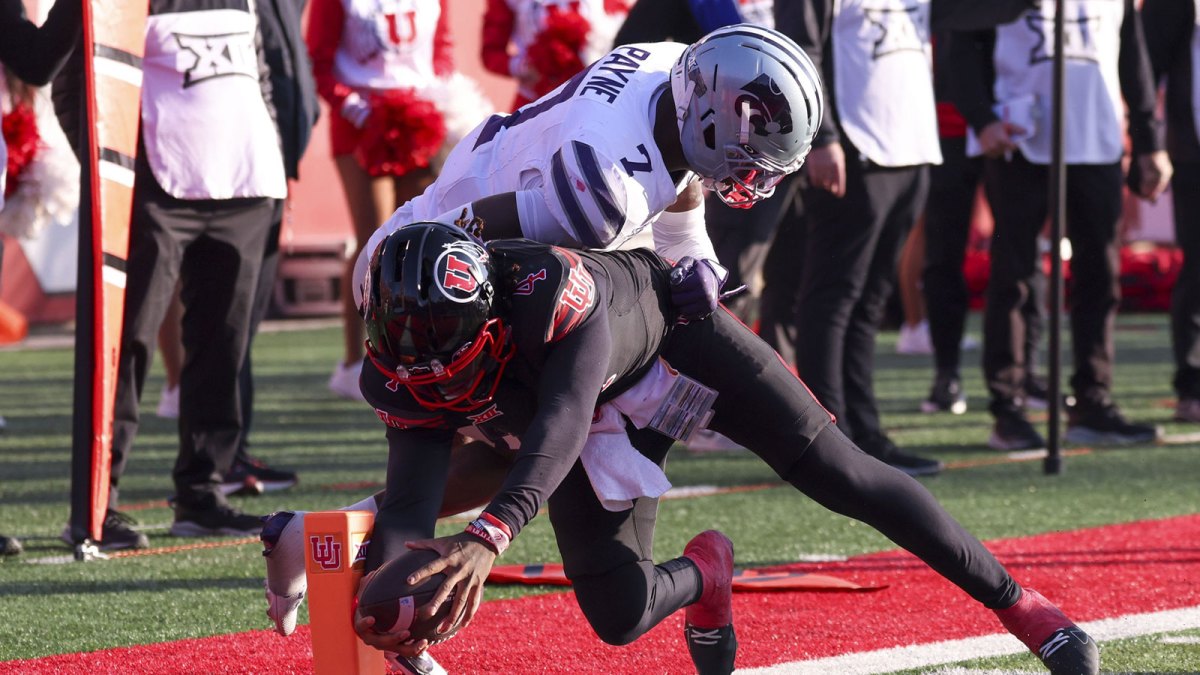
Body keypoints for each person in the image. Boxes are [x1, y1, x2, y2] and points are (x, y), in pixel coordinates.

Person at [262, 24, 822, 673]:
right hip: (449, 271)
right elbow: (517, 215)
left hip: (456, 262)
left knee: (523, 441)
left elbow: (671, 194)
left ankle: (317, 539)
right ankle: (350, 570)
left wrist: (693, 258)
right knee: (516, 434)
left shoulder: (643, 119)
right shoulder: (602, 176)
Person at [345, 218, 1100, 675]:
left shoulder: (547, 289)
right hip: (593, 410)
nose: (424, 365)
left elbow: (563, 418)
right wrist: (403, 614)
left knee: (843, 473)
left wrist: (489, 534)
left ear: (488, 310)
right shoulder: (402, 371)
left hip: (673, 347)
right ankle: (709, 569)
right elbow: (410, 506)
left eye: (441, 342)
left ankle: (1027, 607)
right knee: (619, 613)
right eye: (399, 340)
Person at [774, 0, 1033, 477]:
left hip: (911, 142)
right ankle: (823, 442)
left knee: (870, 300)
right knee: (834, 296)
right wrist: (822, 134)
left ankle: (863, 431)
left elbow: (971, 13)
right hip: (854, 142)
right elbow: (798, 47)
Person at [949, 0, 1172, 448]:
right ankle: (1009, 406)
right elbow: (962, 46)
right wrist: (982, 118)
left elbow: (1134, 56)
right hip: (1020, 139)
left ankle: (1093, 399)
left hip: (1098, 138)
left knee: (1100, 276)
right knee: (1015, 275)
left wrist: (1149, 140)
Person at [306, 0, 454, 402]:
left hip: (420, 121)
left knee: (427, 239)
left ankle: (423, 355)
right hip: (362, 125)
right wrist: (359, 109)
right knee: (374, 241)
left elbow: (442, 51)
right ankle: (356, 361)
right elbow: (318, 61)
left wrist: (434, 99)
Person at [1142, 0, 1200, 425]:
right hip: (1194, 149)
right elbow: (1146, 63)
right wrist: (1150, 142)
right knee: (1198, 269)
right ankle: (1193, 383)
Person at [481, 0, 630, 112]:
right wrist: (524, 67)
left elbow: (627, 33)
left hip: (596, 99)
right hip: (536, 104)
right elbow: (491, 54)